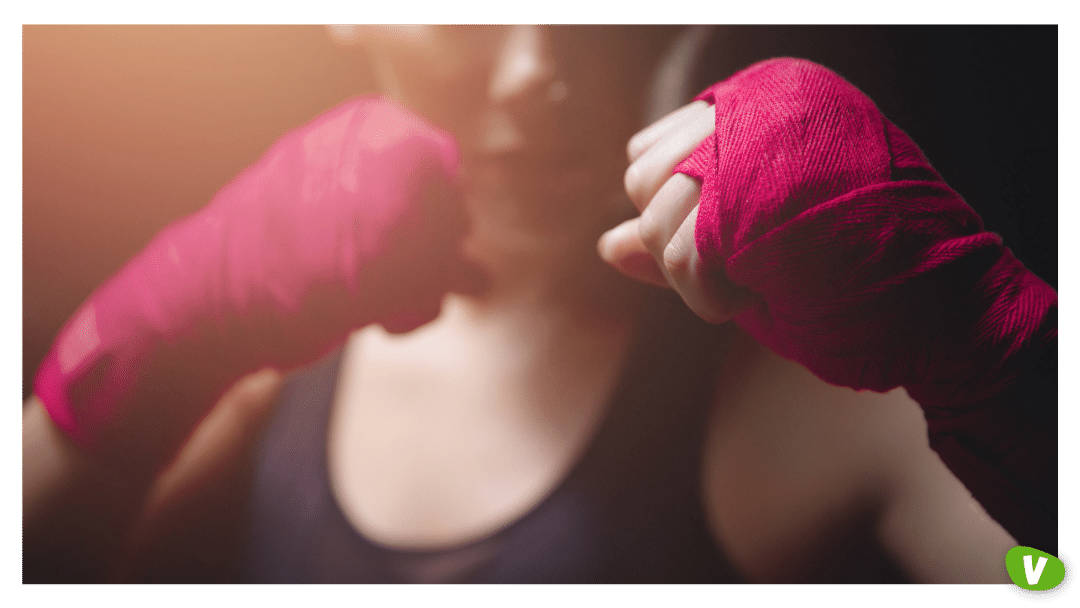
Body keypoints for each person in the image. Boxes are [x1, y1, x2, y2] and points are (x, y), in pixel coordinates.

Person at [21, 25, 1055, 584]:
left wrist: (999, 351)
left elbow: (1041, 573)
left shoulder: (811, 378)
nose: (537, 73)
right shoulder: (267, 346)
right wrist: (143, 335)